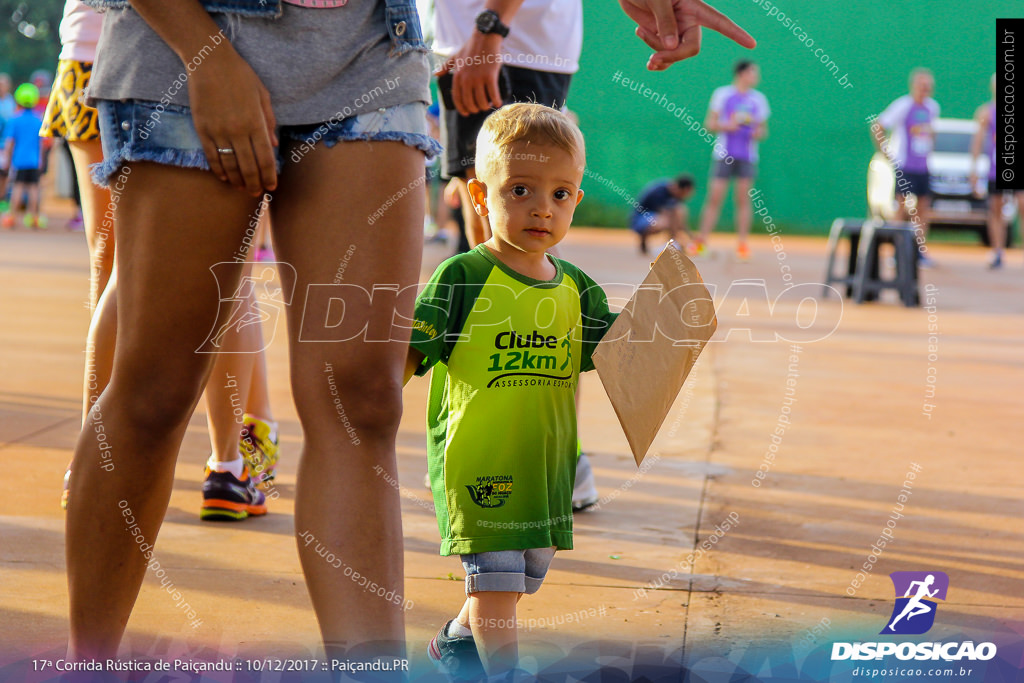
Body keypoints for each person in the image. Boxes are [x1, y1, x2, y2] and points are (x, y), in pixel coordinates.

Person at [66, 0, 753, 666]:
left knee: (360, 397)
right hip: (191, 40)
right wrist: (206, 54)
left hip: (371, 46)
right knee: (153, 394)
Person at [45, 0, 281, 521]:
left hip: (91, 52)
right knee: (231, 266)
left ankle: (94, 467)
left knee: (116, 270)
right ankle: (230, 467)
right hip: (207, 55)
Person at [406, 103, 618, 678]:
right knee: (496, 585)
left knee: (516, 579)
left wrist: (676, 326)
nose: (541, 209)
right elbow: (403, 358)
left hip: (544, 470)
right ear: (479, 196)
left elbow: (626, 359)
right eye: (520, 189)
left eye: (561, 194)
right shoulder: (464, 277)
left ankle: (455, 640)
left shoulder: (578, 290)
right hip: (478, 465)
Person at [690, 60, 769, 261]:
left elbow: (763, 130)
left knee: (743, 199)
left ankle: (742, 245)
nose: (756, 76)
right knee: (714, 198)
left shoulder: (758, 100)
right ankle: (701, 243)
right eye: (753, 72)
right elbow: (710, 123)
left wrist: (756, 131)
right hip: (723, 155)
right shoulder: (722, 94)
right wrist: (729, 125)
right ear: (742, 74)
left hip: (747, 157)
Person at [873, 68, 940, 268]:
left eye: (928, 86)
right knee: (901, 207)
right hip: (905, 165)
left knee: (923, 208)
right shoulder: (902, 105)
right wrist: (885, 153)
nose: (925, 90)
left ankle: (919, 251)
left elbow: (930, 132)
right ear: (913, 86)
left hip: (923, 166)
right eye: (921, 86)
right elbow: (878, 126)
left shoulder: (932, 107)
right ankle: (896, 251)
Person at [970, 73, 1017, 269]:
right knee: (995, 209)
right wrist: (973, 169)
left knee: (1022, 204)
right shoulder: (987, 112)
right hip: (994, 169)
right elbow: (978, 141)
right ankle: (998, 251)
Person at [1, 84, 45, 229]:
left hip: (19, 160)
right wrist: (41, 160)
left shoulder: (15, 120)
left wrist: (7, 159)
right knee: (33, 188)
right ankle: (33, 217)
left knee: (18, 187)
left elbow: (9, 142)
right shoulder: (38, 120)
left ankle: (12, 216)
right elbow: (41, 143)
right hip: (34, 160)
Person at [631, 174, 695, 255]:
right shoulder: (660, 192)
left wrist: (691, 236)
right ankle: (669, 244)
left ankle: (673, 244)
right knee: (665, 221)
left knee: (678, 211)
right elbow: (670, 220)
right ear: (685, 189)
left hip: (653, 217)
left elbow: (678, 221)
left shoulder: (675, 196)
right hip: (639, 219)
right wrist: (684, 240)